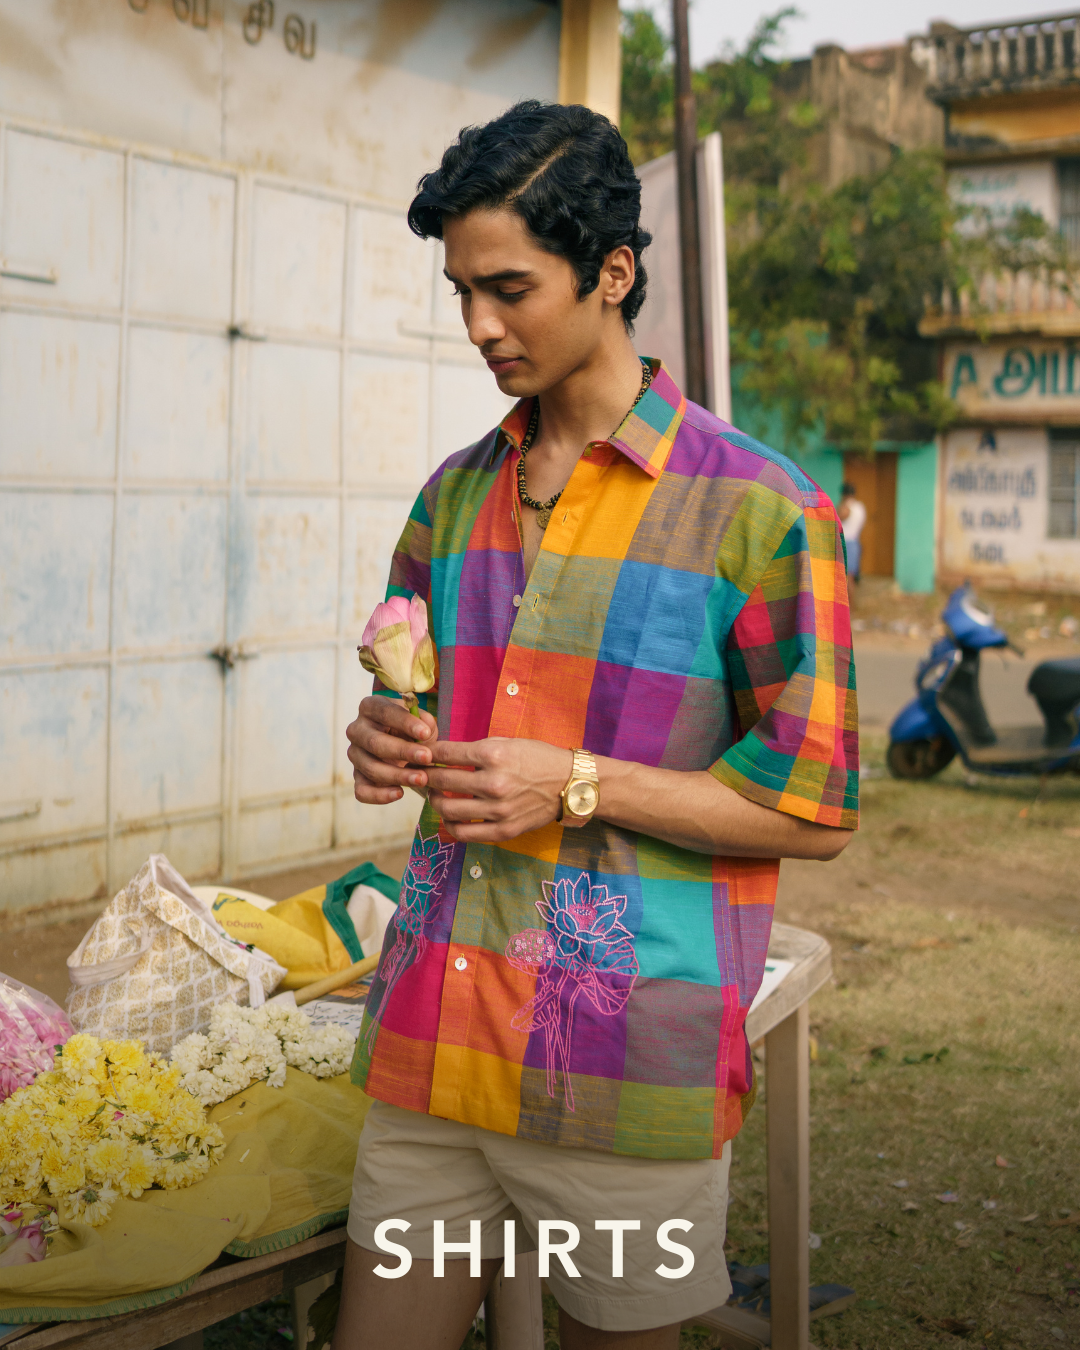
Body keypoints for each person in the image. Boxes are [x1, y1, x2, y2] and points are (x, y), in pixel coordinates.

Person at [338, 100, 858, 1350]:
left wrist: (574, 782)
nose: (479, 325)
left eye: (509, 288)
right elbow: (413, 705)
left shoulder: (763, 513)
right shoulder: (450, 497)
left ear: (613, 272)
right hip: (433, 1039)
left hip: (624, 1067)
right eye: (462, 291)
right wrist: (382, 736)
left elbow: (815, 811)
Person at [838, 481, 867, 582]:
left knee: (847, 577)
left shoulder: (846, 507)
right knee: (851, 576)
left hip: (846, 543)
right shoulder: (860, 507)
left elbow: (837, 520)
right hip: (855, 542)